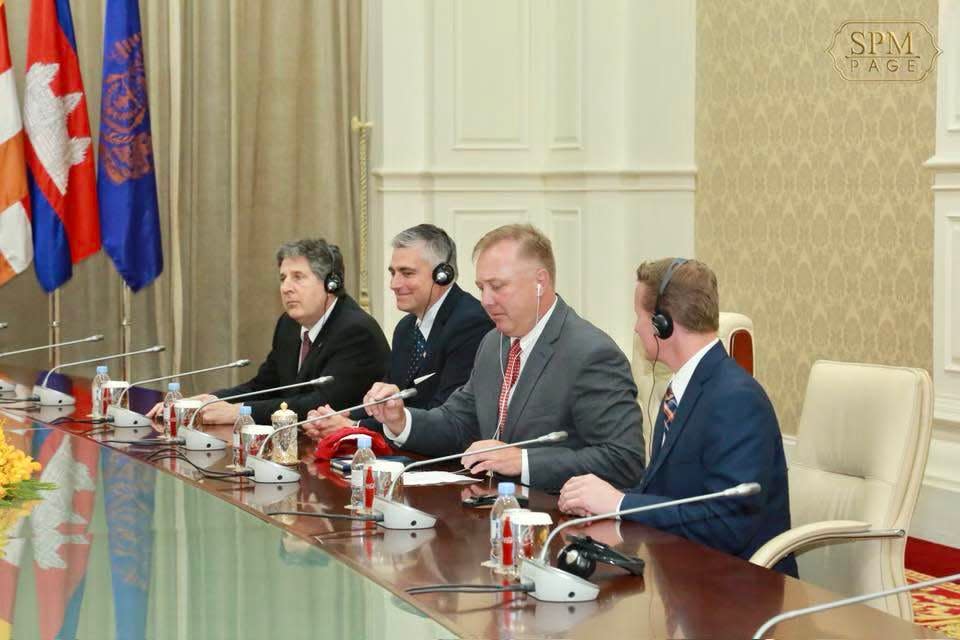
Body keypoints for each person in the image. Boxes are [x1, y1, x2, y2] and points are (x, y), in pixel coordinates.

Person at [558, 258, 797, 576]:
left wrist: (619, 504)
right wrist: (603, 500)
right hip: (684, 575)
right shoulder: (683, 388)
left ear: (662, 323)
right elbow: (669, 494)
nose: (636, 327)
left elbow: (726, 524)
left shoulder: (737, 399)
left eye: (640, 317)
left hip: (741, 591)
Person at [363, 224, 645, 492]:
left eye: (497, 287)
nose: (486, 300)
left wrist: (522, 462)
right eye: (481, 287)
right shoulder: (493, 342)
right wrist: (400, 420)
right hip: (492, 511)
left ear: (540, 282)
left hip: (558, 520)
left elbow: (623, 460)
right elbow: (459, 422)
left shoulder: (591, 353)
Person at [150, 238, 389, 424]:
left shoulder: (356, 332)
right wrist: (212, 400)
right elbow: (264, 386)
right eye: (283, 278)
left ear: (331, 284)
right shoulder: (289, 325)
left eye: (298, 277)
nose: (286, 288)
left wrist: (240, 412)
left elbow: (317, 404)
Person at [304, 224, 492, 439]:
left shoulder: (471, 323)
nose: (394, 284)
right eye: (393, 273)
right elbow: (387, 402)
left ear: (443, 275)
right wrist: (334, 418)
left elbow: (445, 414)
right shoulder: (405, 328)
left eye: (407, 273)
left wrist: (353, 426)